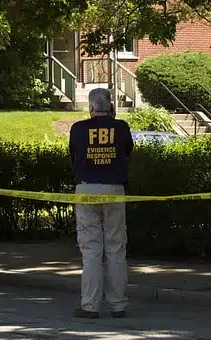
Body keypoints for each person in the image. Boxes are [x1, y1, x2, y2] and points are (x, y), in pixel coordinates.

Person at [68, 88, 134, 318]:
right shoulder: (121, 127)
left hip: (86, 189)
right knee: (116, 248)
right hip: (114, 189)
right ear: (111, 107)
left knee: (91, 251)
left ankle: (90, 305)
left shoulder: (78, 129)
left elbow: (73, 156)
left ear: (91, 107)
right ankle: (118, 305)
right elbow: (128, 151)